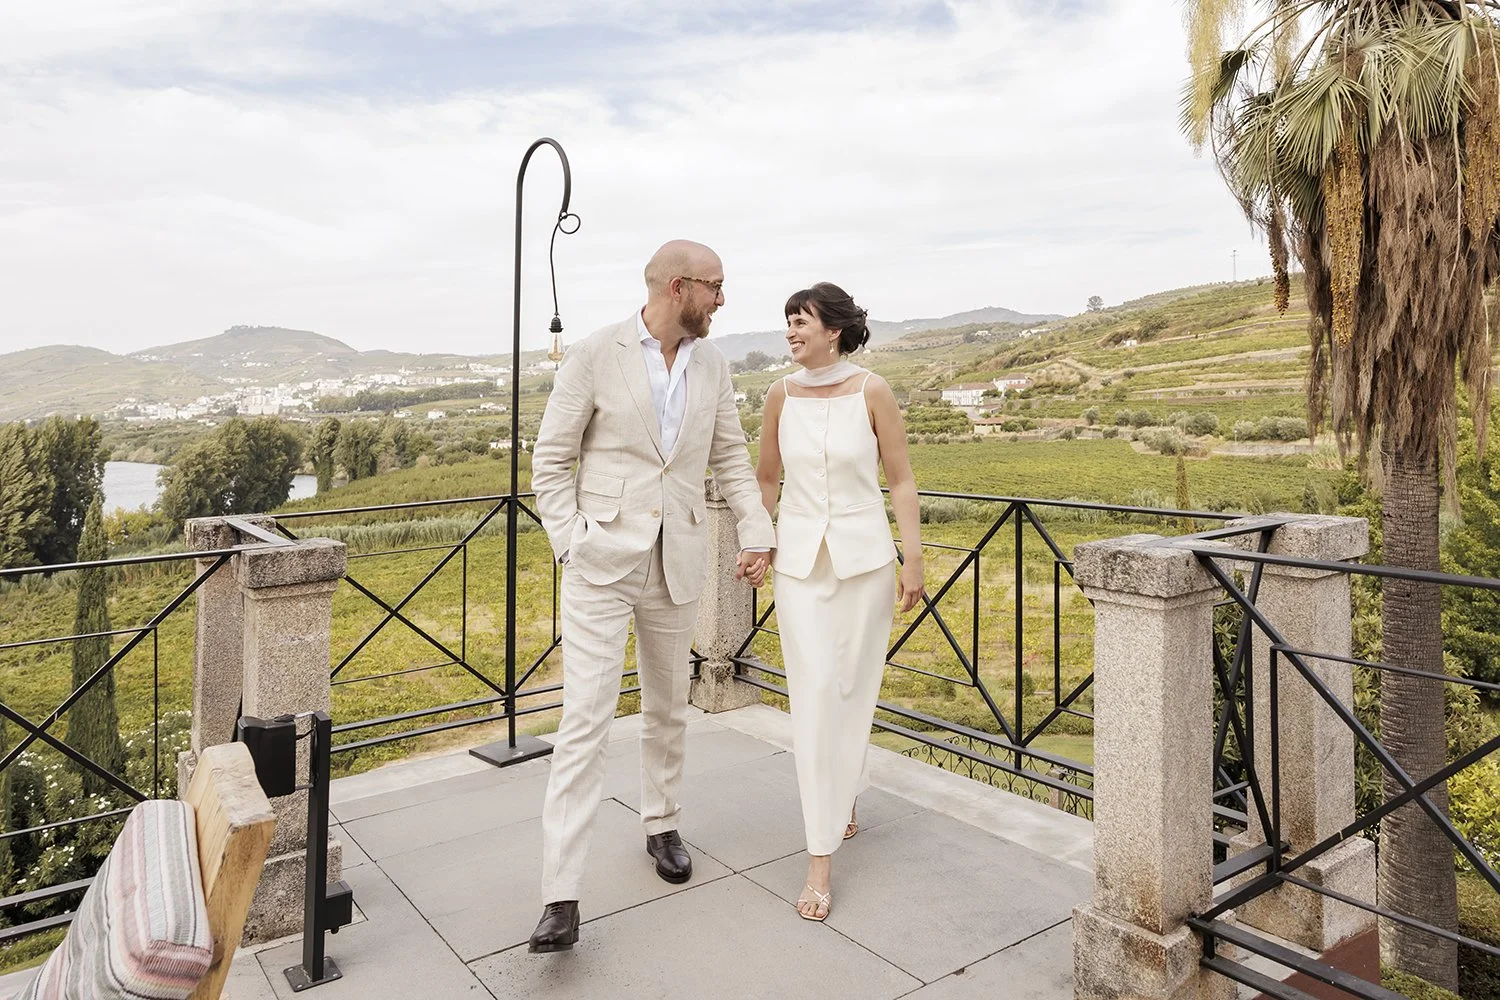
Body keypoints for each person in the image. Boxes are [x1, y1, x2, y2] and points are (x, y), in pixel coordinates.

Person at [526, 240, 774, 952]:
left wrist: (757, 531)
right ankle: (560, 895)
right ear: (679, 286)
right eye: (716, 287)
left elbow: (729, 456)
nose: (724, 300)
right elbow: (552, 456)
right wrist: (571, 540)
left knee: (668, 705)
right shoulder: (596, 353)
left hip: (679, 558)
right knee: (585, 721)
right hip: (601, 561)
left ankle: (661, 824)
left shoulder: (715, 364)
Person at [753, 281, 924, 922]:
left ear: (835, 329)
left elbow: (901, 479)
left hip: (867, 563)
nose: (792, 331)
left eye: (802, 321)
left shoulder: (872, 391)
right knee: (817, 692)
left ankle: (844, 790)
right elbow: (767, 479)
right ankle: (819, 860)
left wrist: (914, 559)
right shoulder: (778, 395)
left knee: (854, 687)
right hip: (798, 565)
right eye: (788, 322)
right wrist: (755, 541)